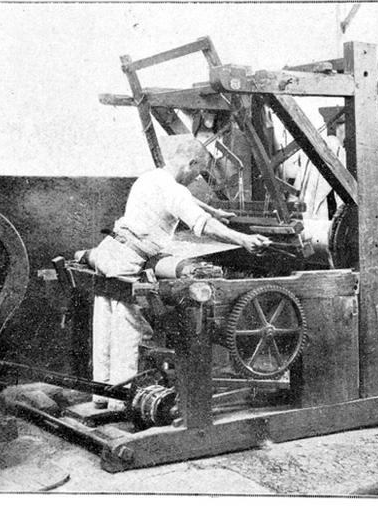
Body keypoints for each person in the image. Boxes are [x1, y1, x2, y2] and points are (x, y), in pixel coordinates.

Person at [83, 135, 271, 409]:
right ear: (191, 162)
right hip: (126, 261)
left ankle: (101, 397)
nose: (197, 177)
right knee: (129, 330)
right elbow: (200, 223)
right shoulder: (176, 191)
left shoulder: (150, 178)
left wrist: (213, 210)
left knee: (106, 325)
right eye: (199, 171)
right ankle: (120, 404)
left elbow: (184, 201)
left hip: (107, 253)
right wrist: (244, 239)